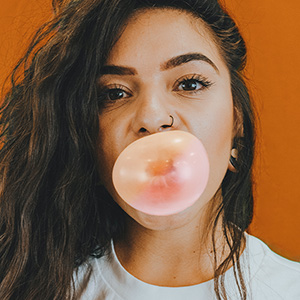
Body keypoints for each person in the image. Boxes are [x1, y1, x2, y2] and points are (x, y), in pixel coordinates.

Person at [0, 0, 299, 299]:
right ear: (87, 137)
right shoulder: (31, 289)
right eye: (115, 93)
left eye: (190, 84)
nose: (152, 117)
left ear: (237, 123)